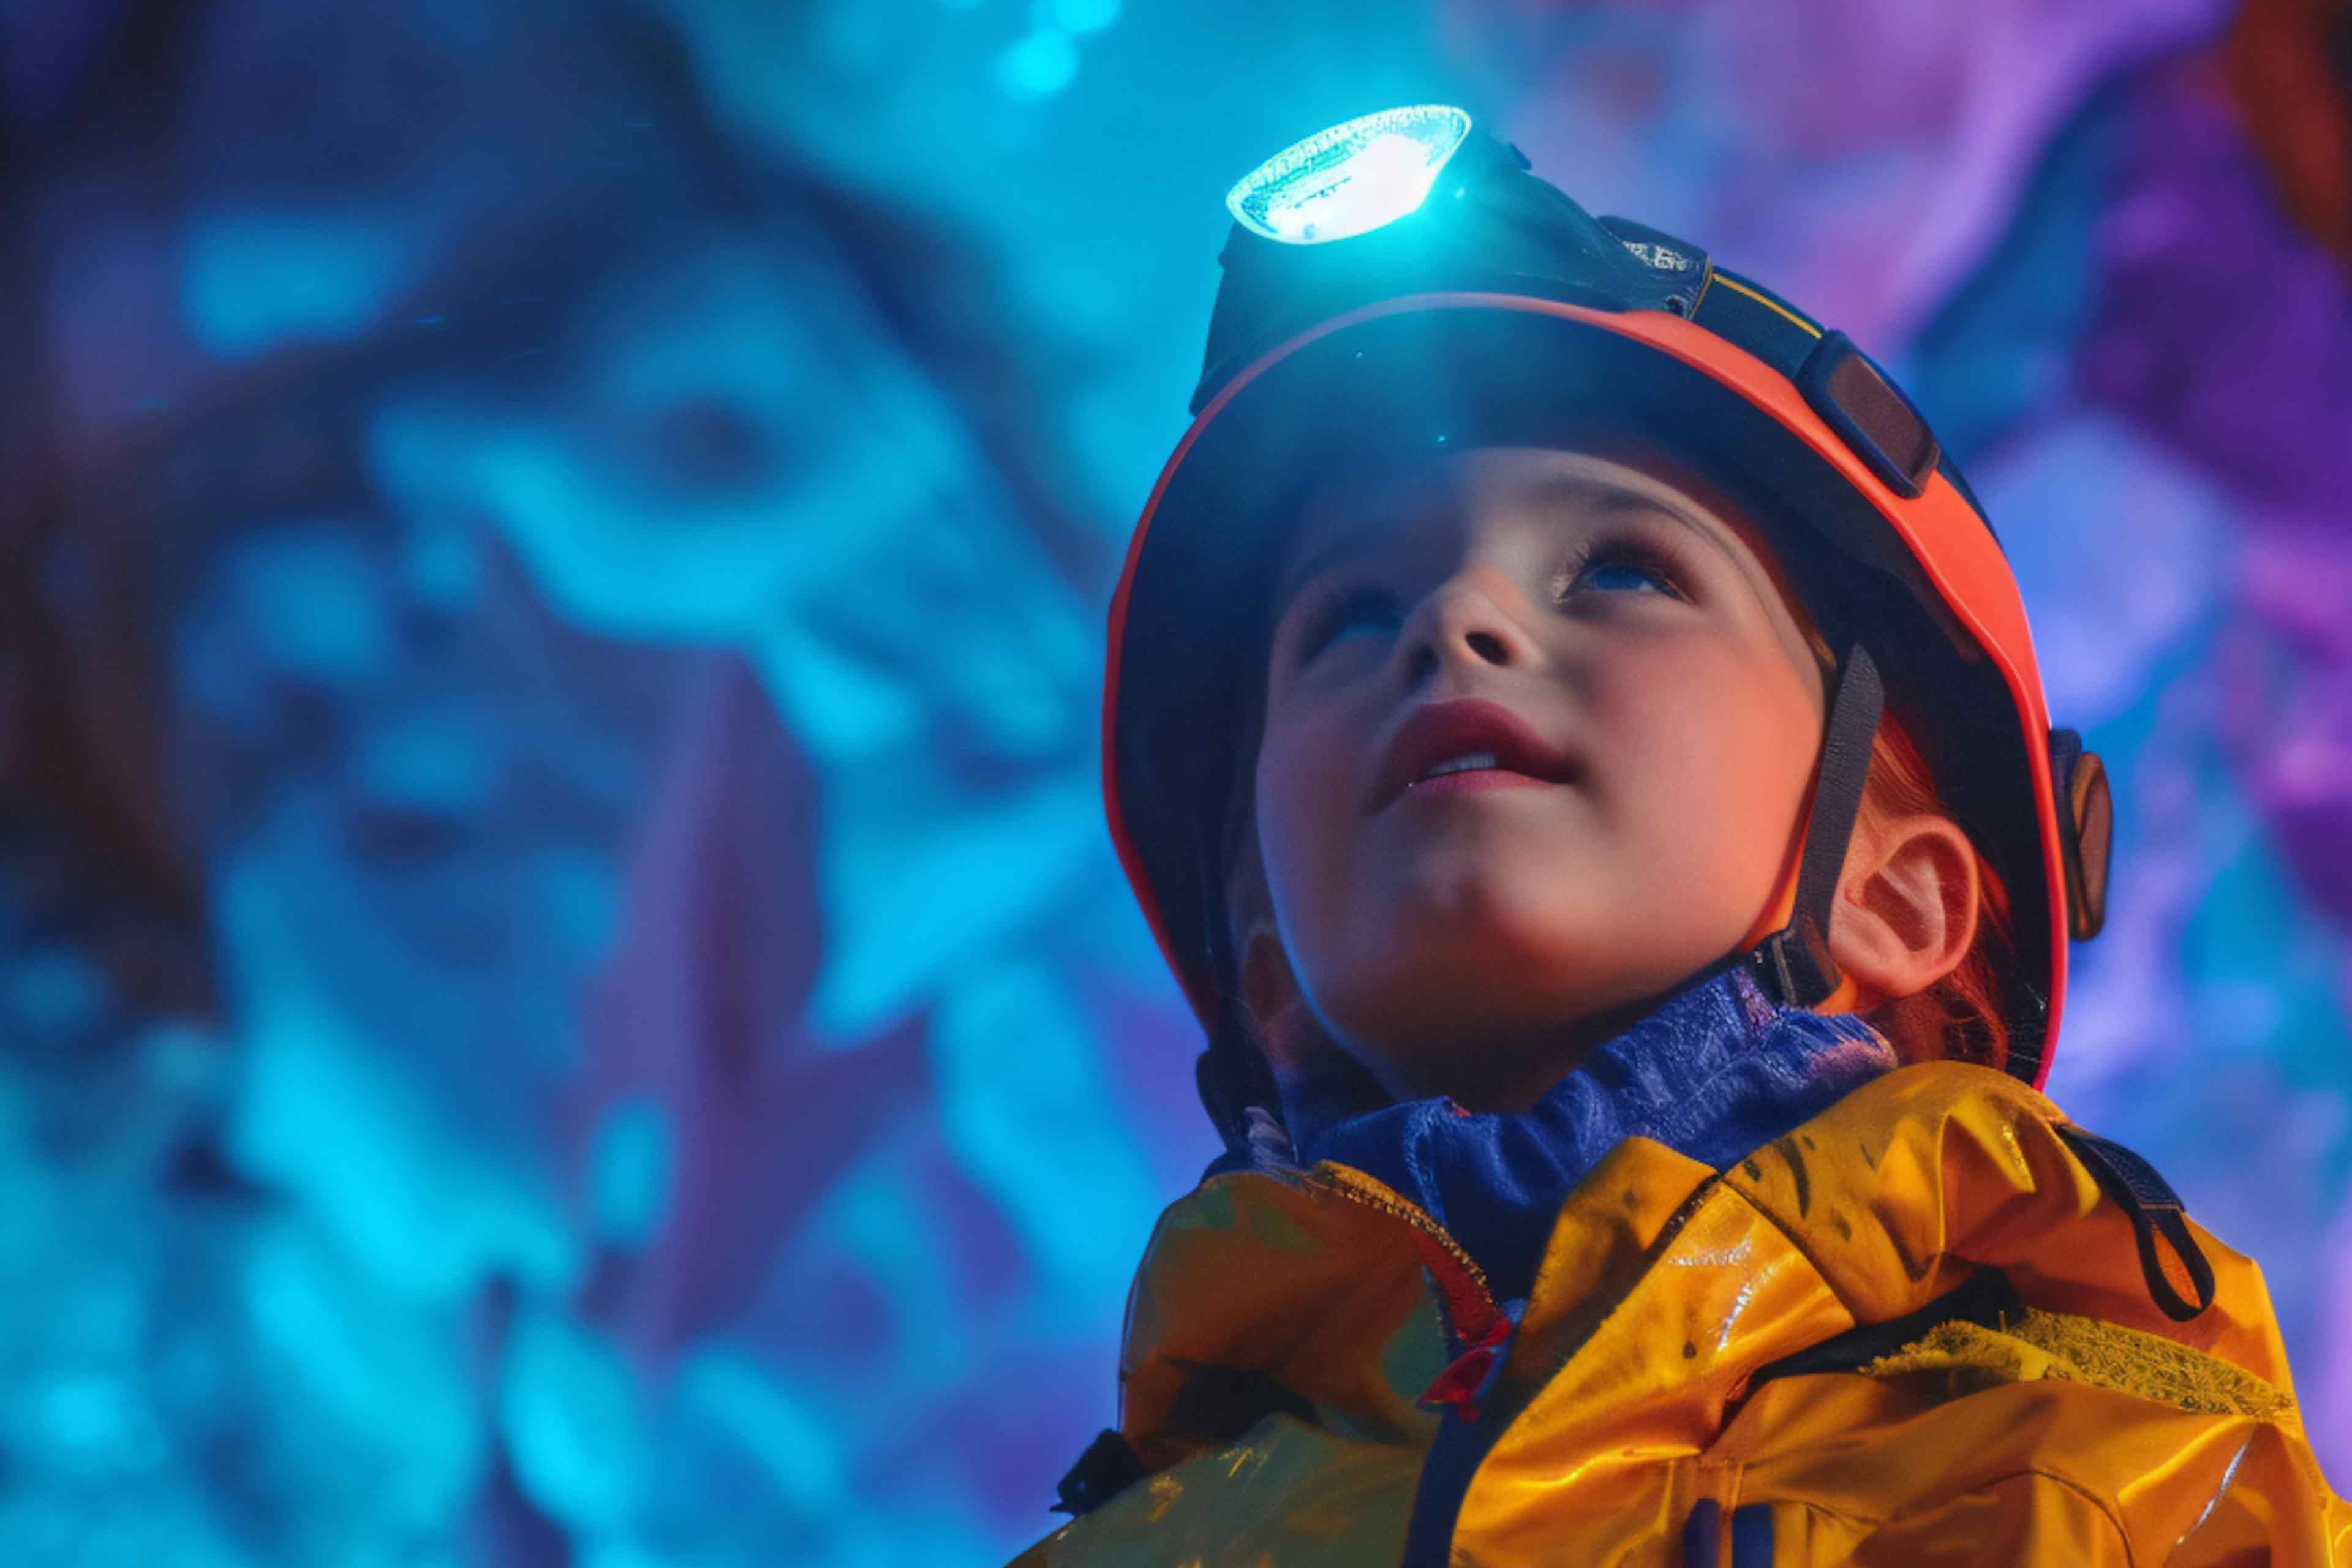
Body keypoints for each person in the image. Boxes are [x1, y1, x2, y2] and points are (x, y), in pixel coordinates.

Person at [1014, 105, 2352, 1564]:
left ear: (1896, 894)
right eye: (1351, 614)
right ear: (1264, 957)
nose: (1457, 624)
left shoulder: (2124, 1496)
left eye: (1622, 568)